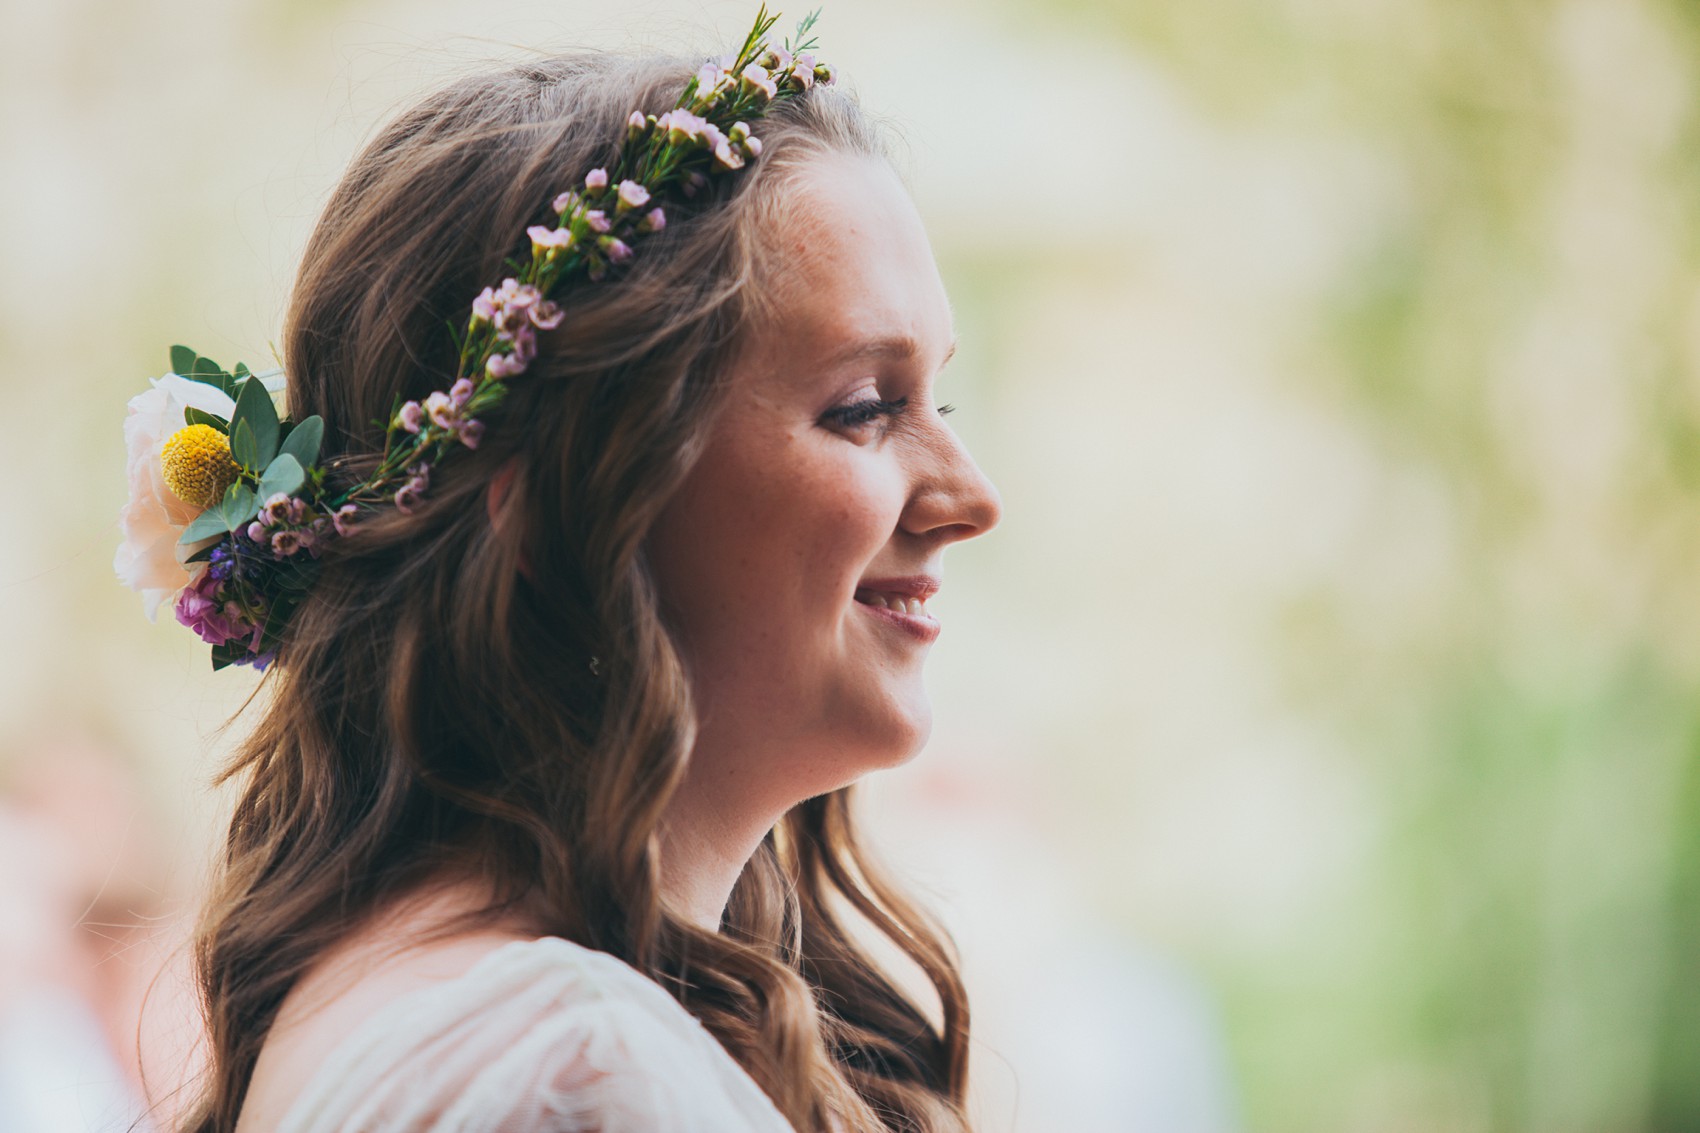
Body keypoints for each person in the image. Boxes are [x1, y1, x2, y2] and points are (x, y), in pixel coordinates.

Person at [117, 10, 1001, 1132]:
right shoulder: (571, 1073)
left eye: (942, 397)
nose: (970, 496)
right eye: (864, 407)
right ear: (552, 501)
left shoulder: (414, 990)